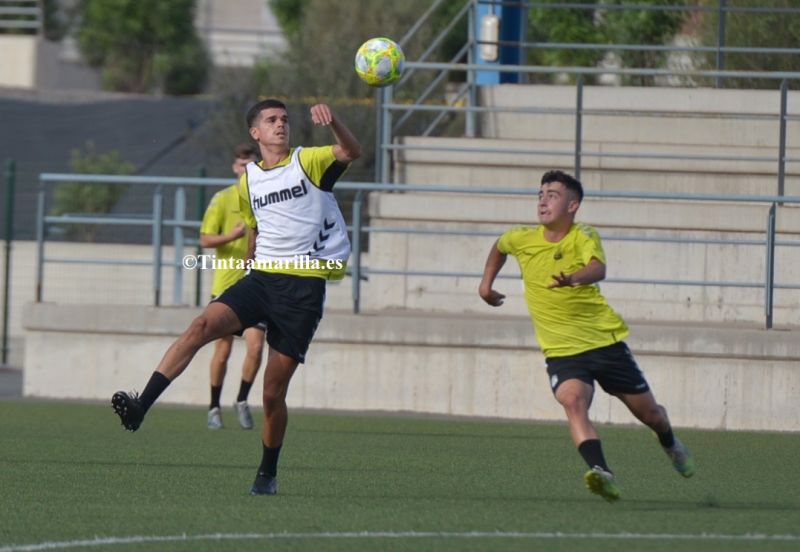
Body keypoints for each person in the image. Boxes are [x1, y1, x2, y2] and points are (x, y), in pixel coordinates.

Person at [112, 99, 361, 496]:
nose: (280, 125)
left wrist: (334, 122)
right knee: (200, 326)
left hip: (302, 289)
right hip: (260, 280)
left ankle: (267, 472)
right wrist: (247, 262)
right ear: (255, 133)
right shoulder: (249, 181)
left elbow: (351, 151)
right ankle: (142, 405)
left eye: (284, 119)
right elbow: (256, 228)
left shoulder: (308, 161)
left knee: (272, 393)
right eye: (271, 120)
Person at [478, 169, 695, 503]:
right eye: (540, 195)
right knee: (573, 402)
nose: (543, 201)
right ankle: (602, 472)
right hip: (562, 351)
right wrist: (485, 285)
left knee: (651, 415)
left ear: (572, 205)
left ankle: (670, 443)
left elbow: (598, 268)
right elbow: (500, 247)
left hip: (604, 343)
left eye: (553, 195)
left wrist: (574, 278)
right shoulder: (521, 237)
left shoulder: (583, 235)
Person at [199, 143, 263, 430]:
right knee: (223, 350)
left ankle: (242, 399)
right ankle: (214, 406)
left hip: (258, 285)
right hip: (226, 285)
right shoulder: (223, 199)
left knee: (256, 347)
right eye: (242, 165)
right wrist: (231, 237)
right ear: (234, 168)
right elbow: (205, 239)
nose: (246, 170)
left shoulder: (267, 196)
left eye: (251, 164)